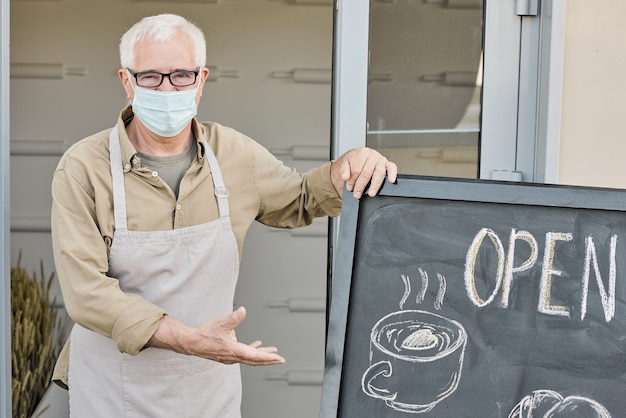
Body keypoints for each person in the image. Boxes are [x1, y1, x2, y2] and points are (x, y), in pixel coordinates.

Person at [50, 13, 397, 417]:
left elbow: (302, 197)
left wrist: (351, 165)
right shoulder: (83, 168)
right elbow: (85, 293)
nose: (167, 88)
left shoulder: (234, 154)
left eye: (181, 75)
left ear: (201, 81)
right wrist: (190, 339)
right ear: (127, 81)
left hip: (206, 388)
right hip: (113, 389)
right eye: (150, 77)